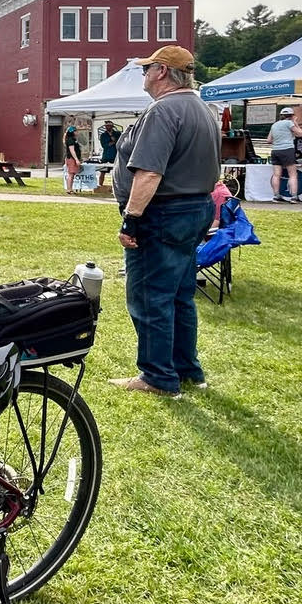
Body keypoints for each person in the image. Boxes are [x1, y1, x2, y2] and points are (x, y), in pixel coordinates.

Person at [108, 45, 219, 398]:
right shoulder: (202, 108)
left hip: (163, 213)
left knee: (149, 296)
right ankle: (188, 370)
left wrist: (132, 219)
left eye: (146, 69)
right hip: (193, 210)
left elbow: (149, 173)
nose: (143, 75)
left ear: (160, 72)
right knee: (179, 294)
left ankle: (157, 376)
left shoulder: (164, 110)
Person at [267, 107, 302, 203]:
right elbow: (300, 134)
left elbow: (269, 140)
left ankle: (276, 196)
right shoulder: (289, 123)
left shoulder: (274, 125)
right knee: (292, 174)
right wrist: (295, 123)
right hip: (287, 150)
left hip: (275, 150)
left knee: (276, 174)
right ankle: (294, 196)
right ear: (292, 116)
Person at [98, 121, 119, 188]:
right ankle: (100, 186)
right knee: (102, 172)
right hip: (106, 156)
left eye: (109, 125)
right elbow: (104, 145)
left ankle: (116, 187)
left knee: (116, 173)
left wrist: (114, 141)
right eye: (106, 126)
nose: (107, 127)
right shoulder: (103, 135)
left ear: (112, 126)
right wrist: (113, 142)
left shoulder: (117, 134)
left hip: (115, 155)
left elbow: (120, 143)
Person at [64, 125, 82, 193]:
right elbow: (72, 150)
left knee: (73, 174)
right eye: (75, 131)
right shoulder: (70, 140)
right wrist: (76, 159)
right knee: (71, 174)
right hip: (71, 158)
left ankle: (70, 189)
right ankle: (69, 189)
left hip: (73, 158)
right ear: (72, 132)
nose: (77, 132)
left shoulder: (73, 139)